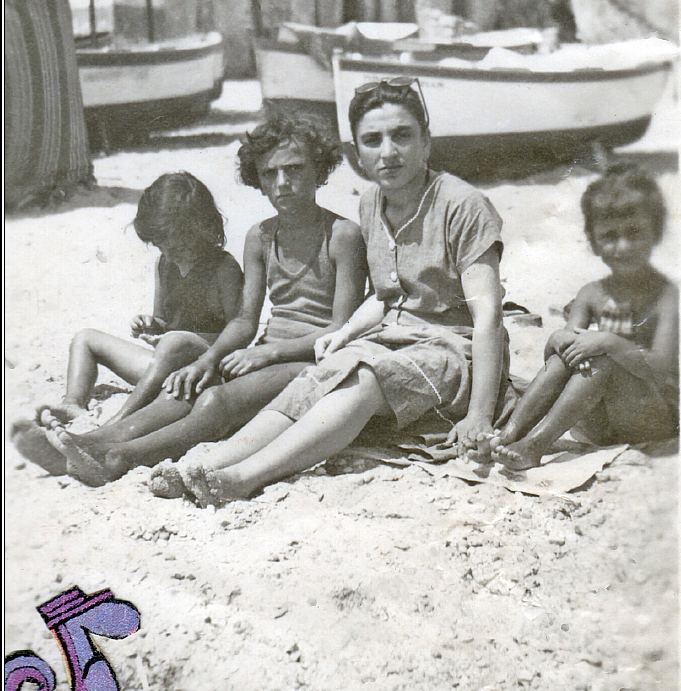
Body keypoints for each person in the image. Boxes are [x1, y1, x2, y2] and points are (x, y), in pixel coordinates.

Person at [174, 77, 514, 506]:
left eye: (402, 136)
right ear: (357, 154)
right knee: (327, 369)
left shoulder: (463, 206)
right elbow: (387, 296)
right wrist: (346, 333)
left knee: (367, 375)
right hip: (393, 338)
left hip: (454, 348)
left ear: (427, 142)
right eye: (373, 140)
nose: (388, 152)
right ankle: (210, 464)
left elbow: (488, 318)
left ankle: (242, 477)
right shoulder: (373, 202)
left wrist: (480, 414)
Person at [46, 117, 368, 487]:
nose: (282, 183)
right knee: (185, 387)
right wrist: (207, 360)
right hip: (264, 353)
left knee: (215, 402)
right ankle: (93, 442)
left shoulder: (342, 236)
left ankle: (120, 456)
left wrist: (268, 354)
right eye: (269, 173)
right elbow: (245, 321)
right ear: (257, 180)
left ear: (319, 169)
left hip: (312, 359)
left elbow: (340, 330)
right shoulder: (261, 236)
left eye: (294, 169)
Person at [12, 172, 243, 472]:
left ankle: (114, 424)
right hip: (166, 363)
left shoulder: (223, 268)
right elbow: (164, 319)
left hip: (204, 368)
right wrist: (152, 325)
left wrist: (178, 338)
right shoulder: (166, 265)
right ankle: (73, 402)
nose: (169, 252)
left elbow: (238, 333)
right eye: (161, 246)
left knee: (176, 342)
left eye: (177, 243)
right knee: (86, 337)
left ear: (201, 227)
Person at [492, 163, 678, 470]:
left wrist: (610, 342)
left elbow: (662, 370)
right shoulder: (591, 293)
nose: (623, 246)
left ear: (655, 233)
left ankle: (536, 445)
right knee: (569, 355)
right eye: (609, 236)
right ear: (593, 241)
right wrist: (558, 339)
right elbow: (558, 356)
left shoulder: (667, 296)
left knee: (602, 358)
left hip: (651, 418)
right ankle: (511, 432)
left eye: (634, 233)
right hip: (596, 419)